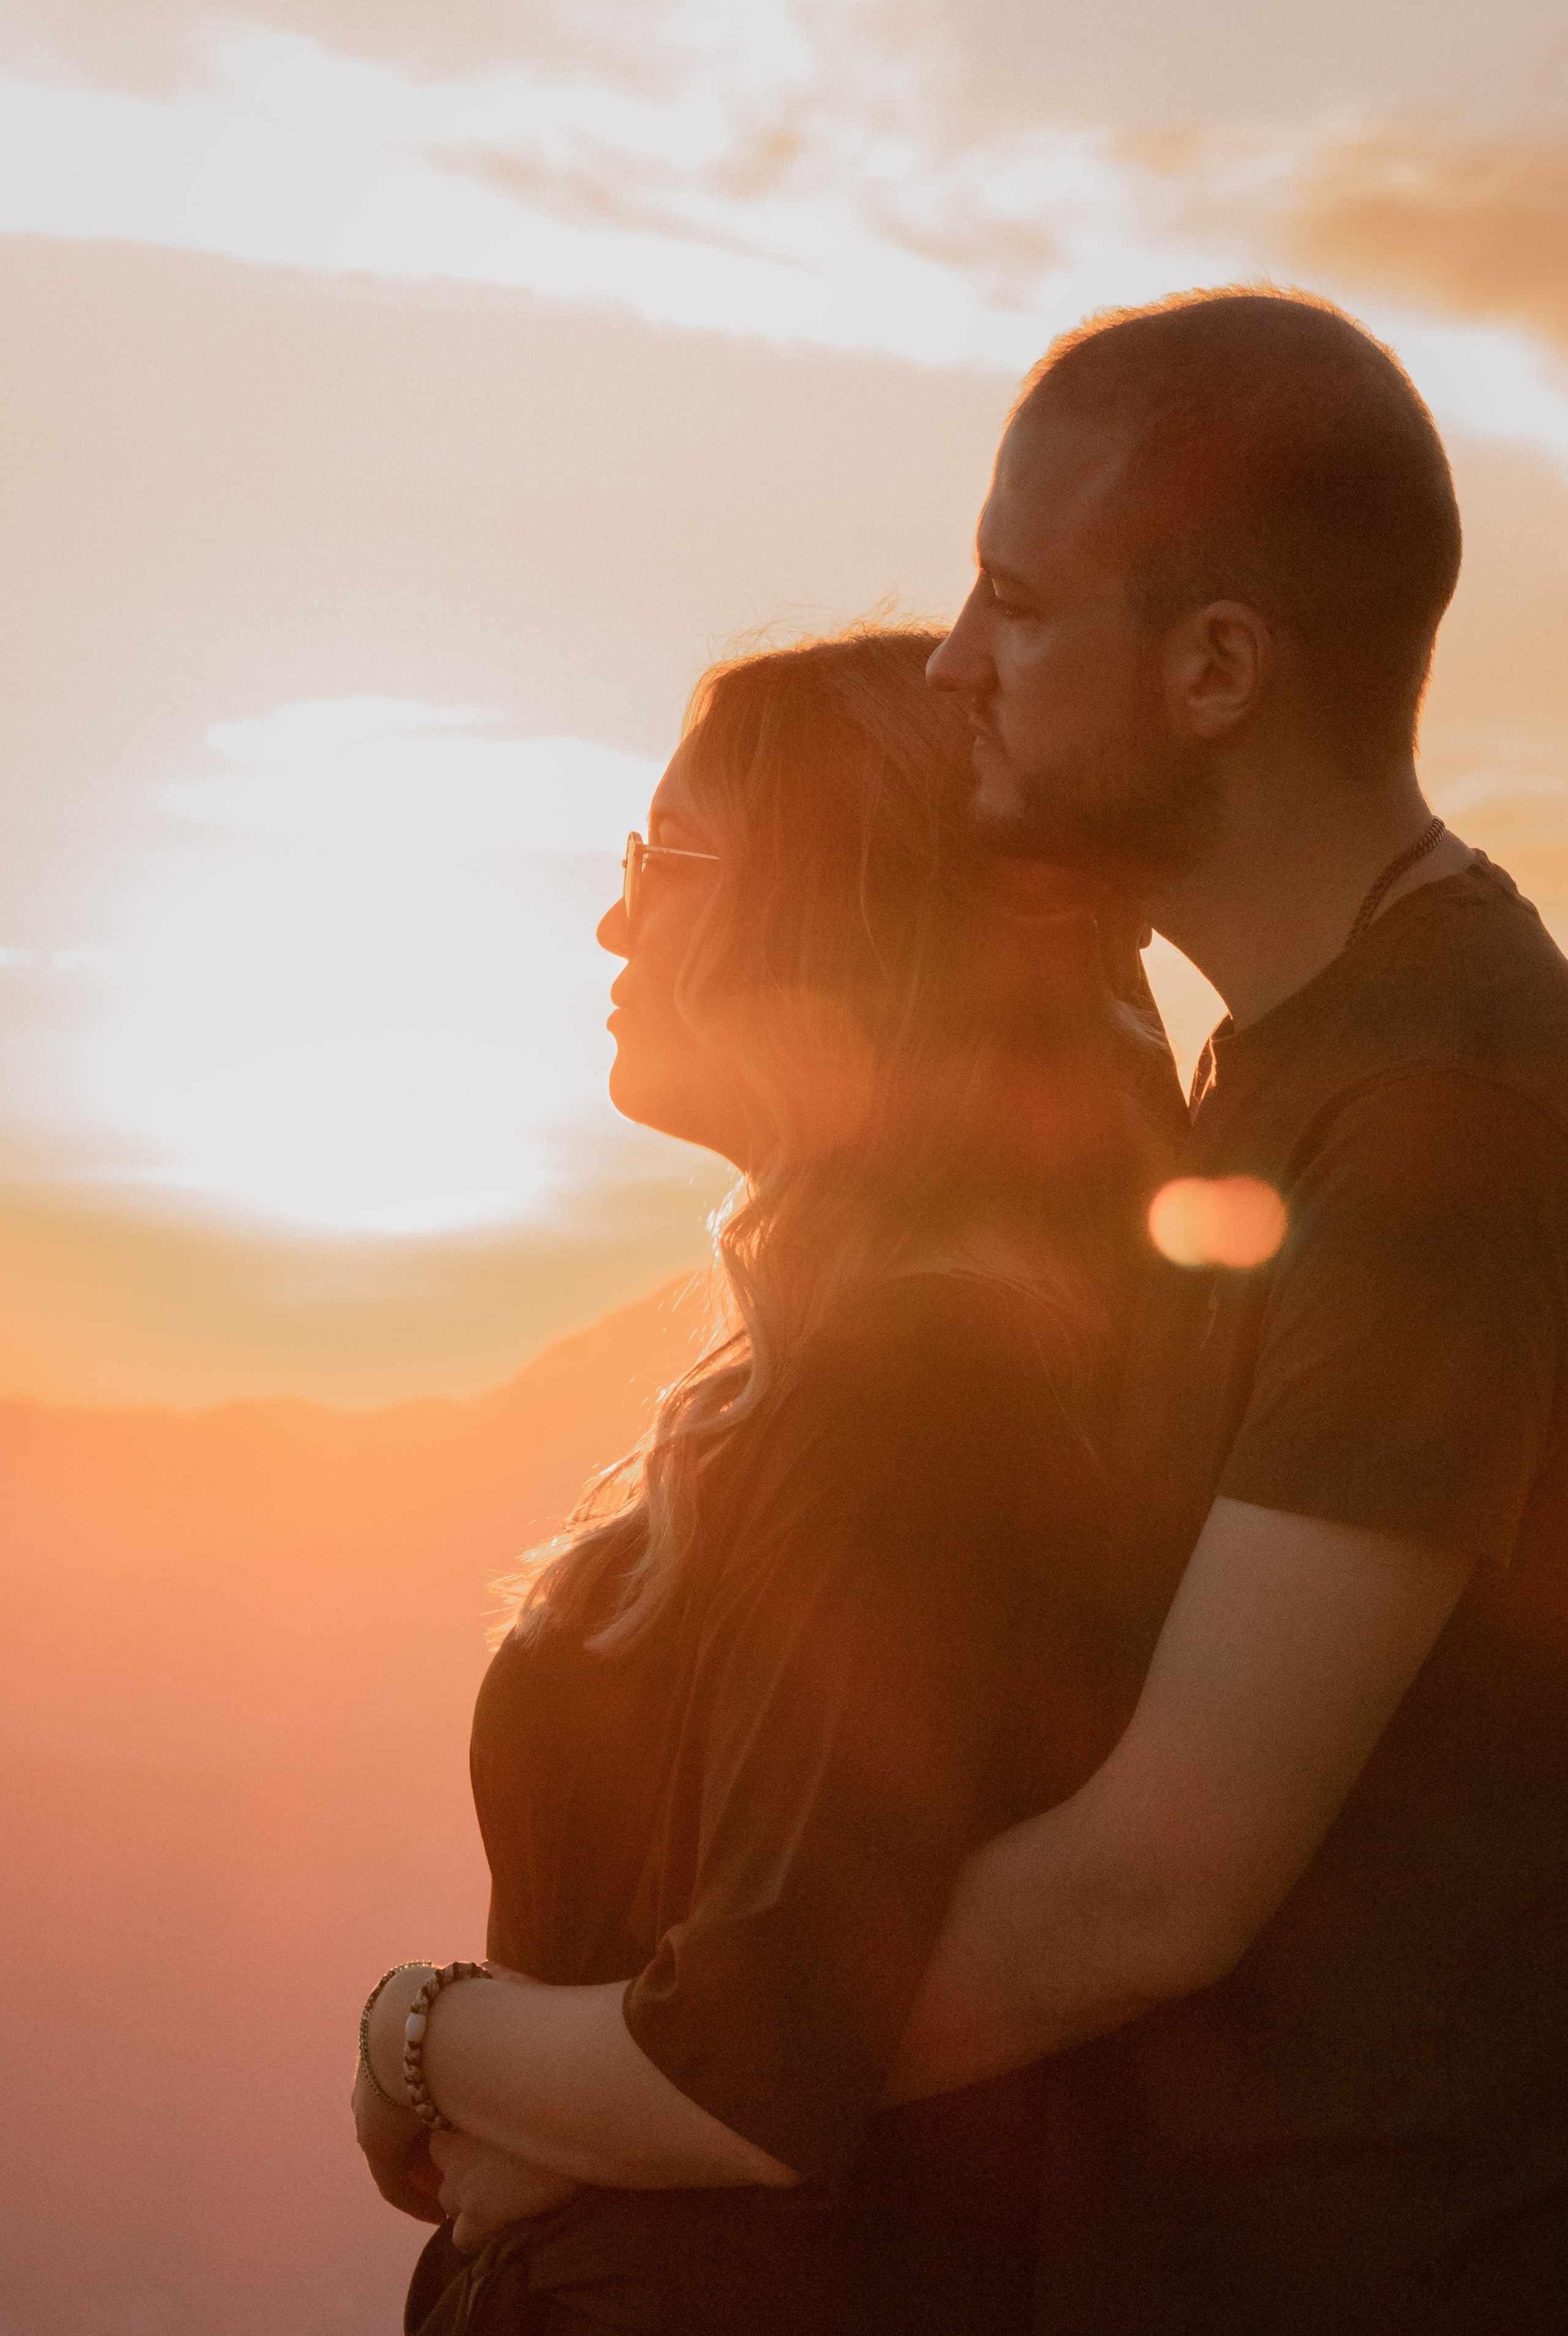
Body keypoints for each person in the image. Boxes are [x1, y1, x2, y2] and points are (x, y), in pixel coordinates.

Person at [351, 626, 1184, 2334]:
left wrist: (415, 2037)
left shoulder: (910, 1403)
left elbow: (749, 2068)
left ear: (831, 910)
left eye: (667, 857)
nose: (615, 916)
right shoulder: (862, 1372)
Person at [893, 289, 1568, 2332]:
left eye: (1015, 599)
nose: (954, 662)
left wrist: (628, 2061)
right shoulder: (1303, 1057)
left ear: (1215, 669)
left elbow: (1156, 1889)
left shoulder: (1443, 1116)